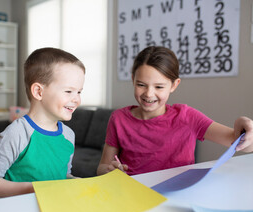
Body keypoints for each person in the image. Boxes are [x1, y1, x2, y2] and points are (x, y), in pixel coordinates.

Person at [97, 46, 253, 176]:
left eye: (159, 87)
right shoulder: (119, 119)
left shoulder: (188, 117)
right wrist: (110, 170)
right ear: (133, 80)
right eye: (141, 84)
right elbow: (102, 168)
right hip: (132, 196)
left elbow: (244, 145)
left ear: (174, 85)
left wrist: (245, 126)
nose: (149, 94)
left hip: (175, 198)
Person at [0, 47, 85, 197]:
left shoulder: (69, 135)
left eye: (79, 92)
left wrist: (73, 180)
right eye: (69, 91)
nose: (77, 99)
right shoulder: (17, 133)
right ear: (38, 92)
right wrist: (32, 189)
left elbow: (63, 175)